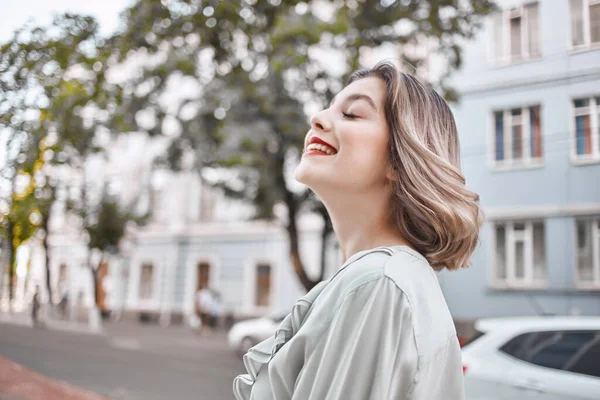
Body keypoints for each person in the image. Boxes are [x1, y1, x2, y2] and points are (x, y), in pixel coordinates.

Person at [233, 62, 483, 400]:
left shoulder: (379, 283)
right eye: (329, 108)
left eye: (351, 114)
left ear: (400, 158)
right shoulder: (389, 279)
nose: (317, 119)